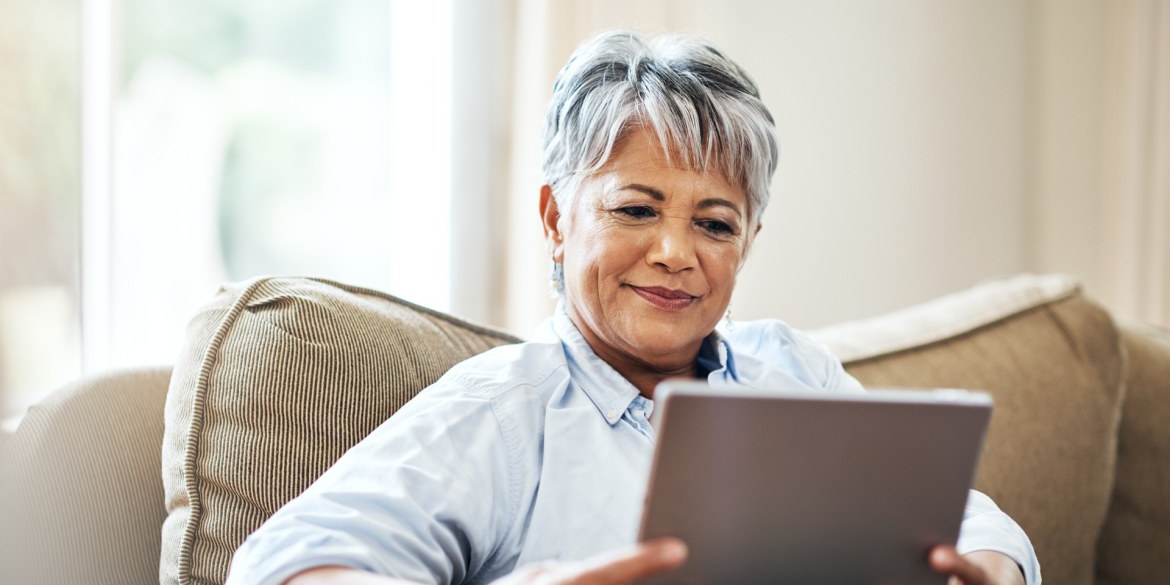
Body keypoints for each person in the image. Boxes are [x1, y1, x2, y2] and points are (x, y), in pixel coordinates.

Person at [226, 30, 1041, 585]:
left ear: (748, 241)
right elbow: (285, 564)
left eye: (714, 223)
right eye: (636, 209)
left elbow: (977, 525)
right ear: (555, 218)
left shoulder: (792, 370)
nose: (675, 252)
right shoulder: (508, 413)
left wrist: (988, 568)